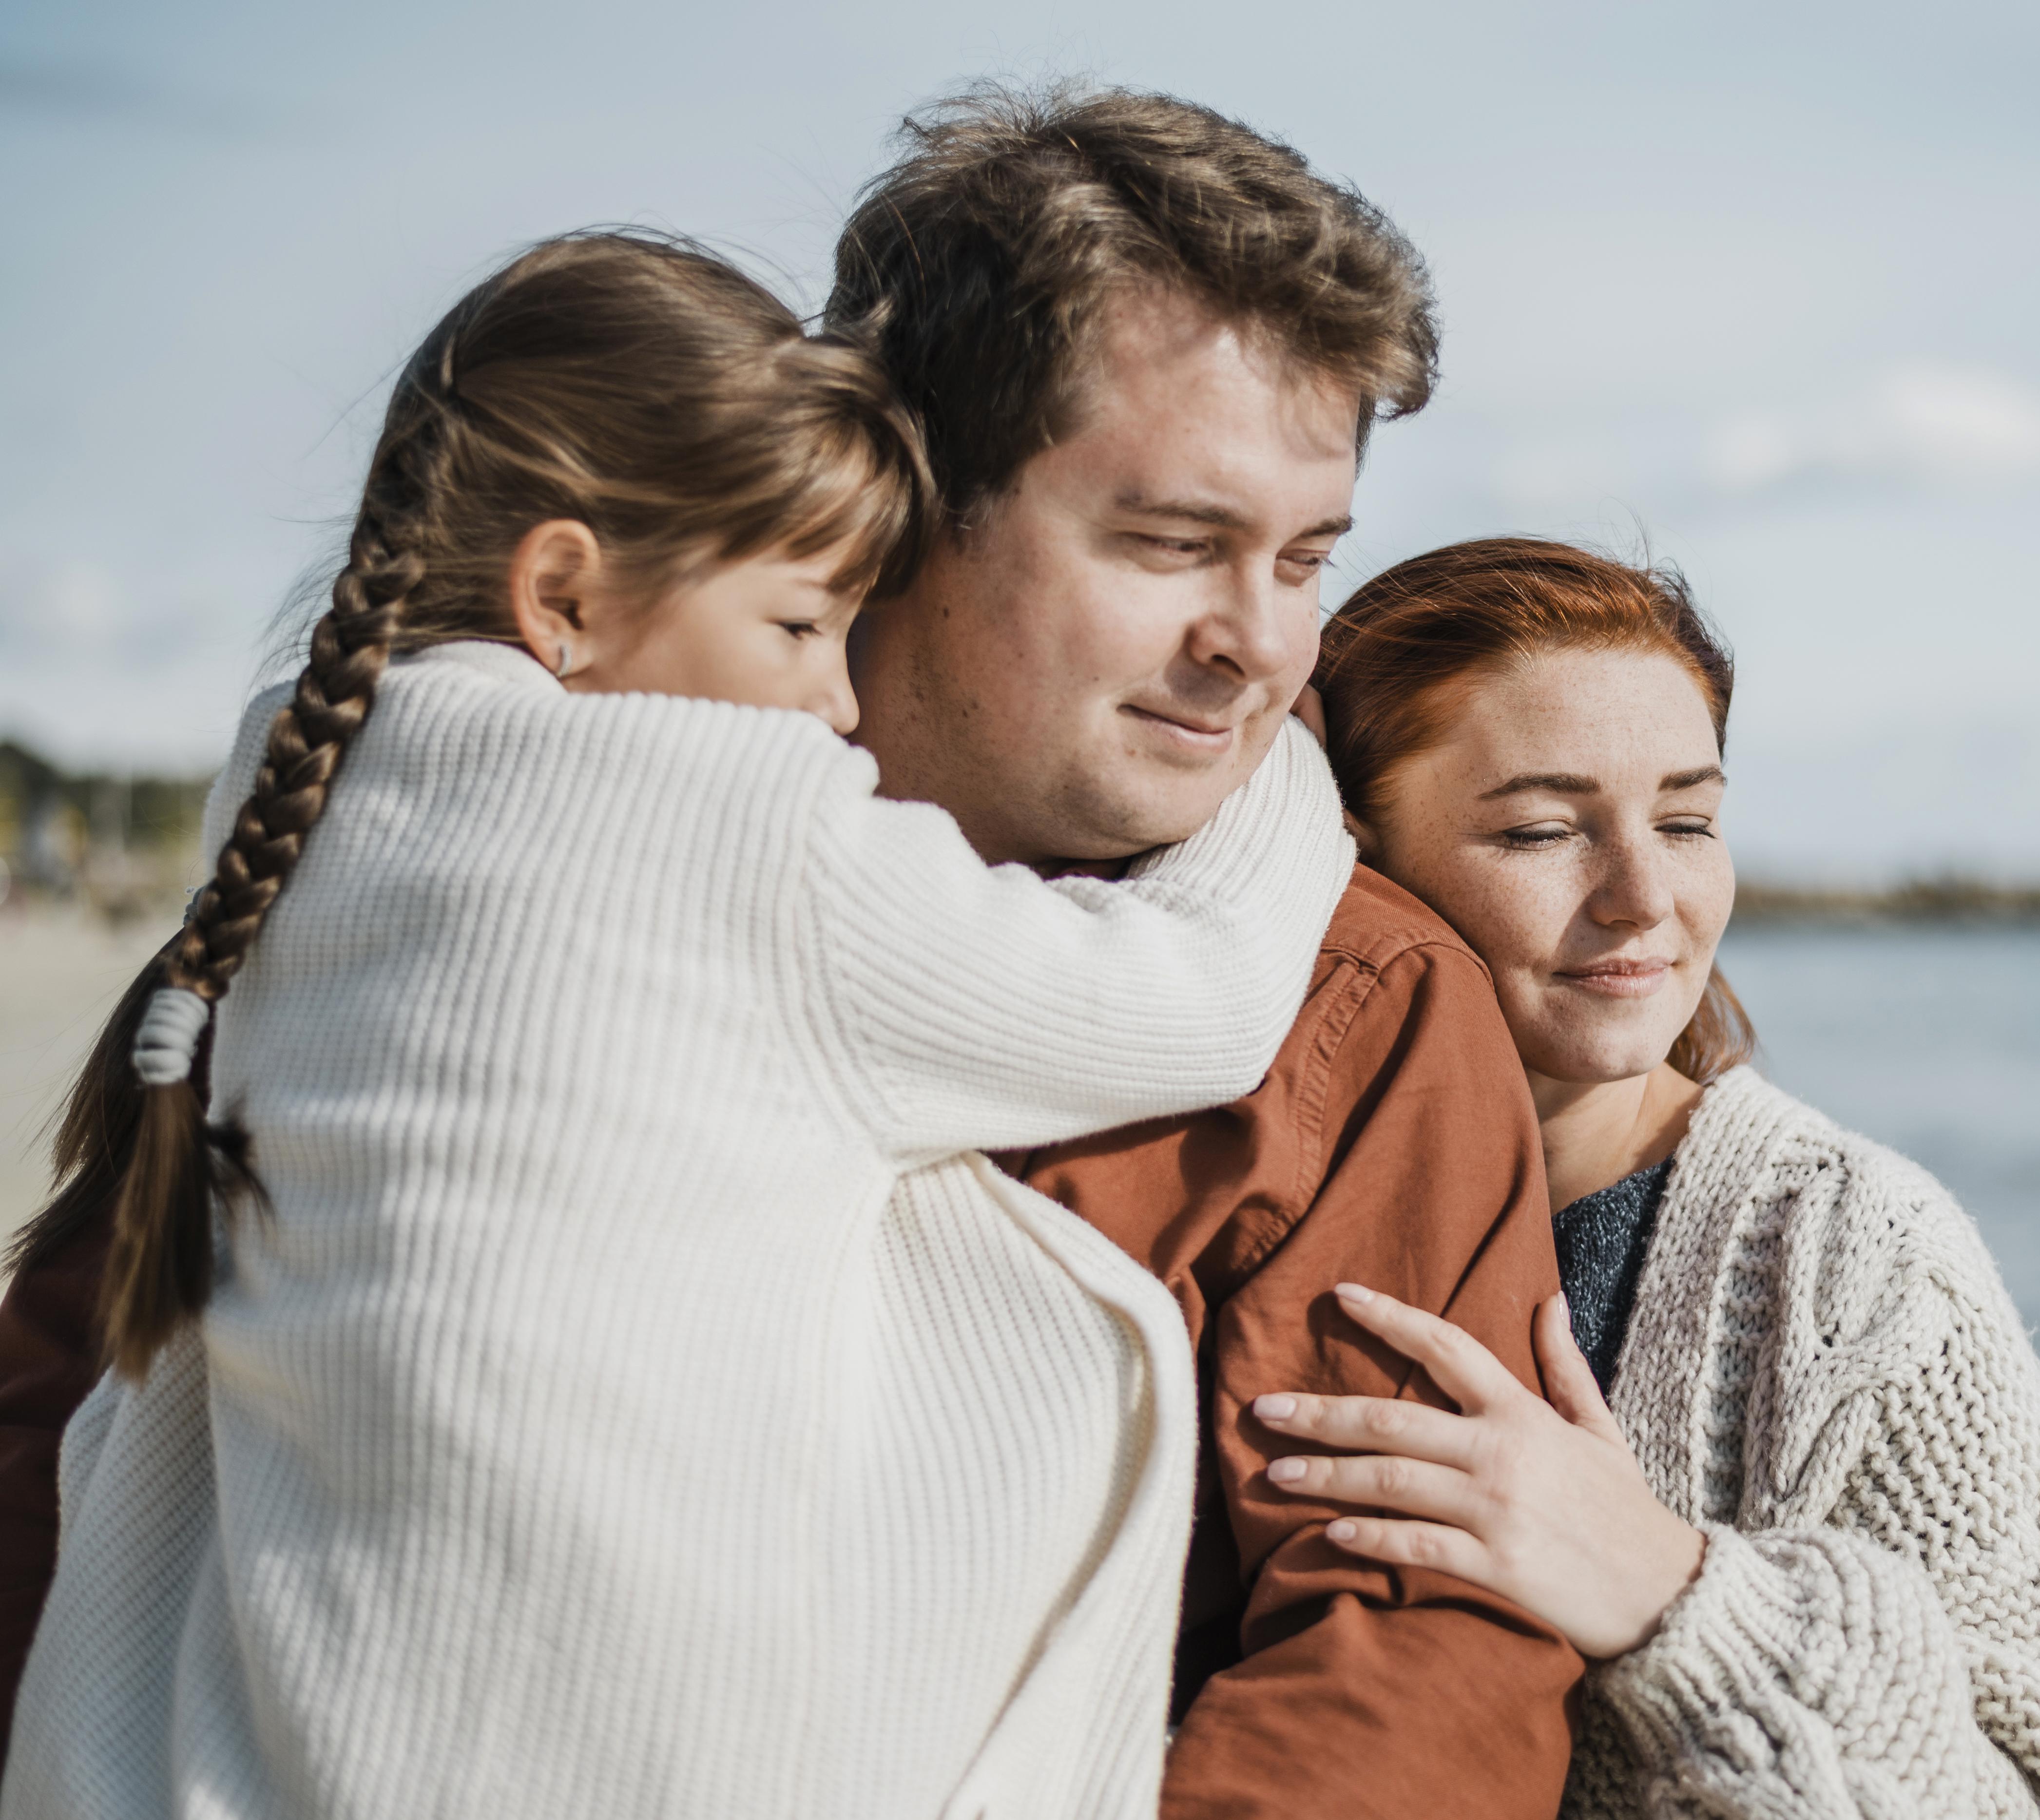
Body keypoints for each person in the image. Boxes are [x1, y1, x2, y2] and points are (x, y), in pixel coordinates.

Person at [0, 83, 1587, 1820]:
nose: (1261, 652)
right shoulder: (456, 877)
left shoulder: (1355, 1007)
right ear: (915, 497)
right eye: (1170, 544)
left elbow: (1410, 1639)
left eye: (1305, 560)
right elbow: (70, 1408)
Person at [1250, 538, 2040, 1819]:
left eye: (1688, 821)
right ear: (1355, 859)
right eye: (1541, 830)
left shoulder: (1850, 1253)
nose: (1645, 896)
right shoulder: (1241, 1189)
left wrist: (1672, 1593)